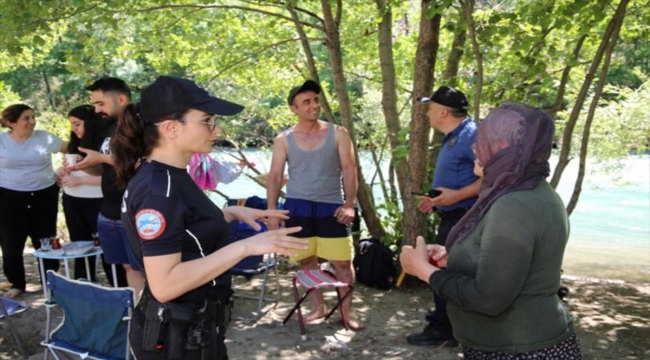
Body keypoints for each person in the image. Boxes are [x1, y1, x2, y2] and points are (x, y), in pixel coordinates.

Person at [113, 75, 307, 360]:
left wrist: (228, 214)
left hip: (192, 329)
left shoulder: (171, 175)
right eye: (207, 120)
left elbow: (185, 230)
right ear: (170, 128)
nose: (216, 129)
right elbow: (164, 285)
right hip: (175, 339)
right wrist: (247, 247)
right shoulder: (160, 191)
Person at [400, 103, 582, 359]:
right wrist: (454, 259)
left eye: (487, 141)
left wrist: (422, 270)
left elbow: (488, 299)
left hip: (520, 349)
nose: (476, 147)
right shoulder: (534, 190)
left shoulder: (514, 205)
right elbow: (517, 267)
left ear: (510, 150)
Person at [266, 79, 362, 330]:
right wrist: (272, 212)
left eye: (316, 100)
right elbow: (275, 176)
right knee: (307, 260)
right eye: (306, 101)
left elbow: (350, 169)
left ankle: (345, 313)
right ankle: (317, 308)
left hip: (331, 205)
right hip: (298, 206)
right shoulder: (283, 139)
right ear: (293, 108)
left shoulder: (338, 133)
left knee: (342, 262)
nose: (313, 105)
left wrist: (350, 203)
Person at [407, 85, 481, 347]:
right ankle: (449, 327)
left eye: (430, 108)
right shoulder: (454, 136)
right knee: (446, 269)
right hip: (452, 215)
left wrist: (456, 196)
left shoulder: (472, 135)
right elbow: (461, 180)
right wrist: (437, 201)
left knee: (443, 270)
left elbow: (492, 179)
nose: (427, 113)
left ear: (444, 111)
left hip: (466, 218)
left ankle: (443, 331)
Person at [70, 77, 142, 292]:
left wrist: (101, 159)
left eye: (100, 103)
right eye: (94, 104)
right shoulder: (107, 126)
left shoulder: (141, 125)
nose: (96, 109)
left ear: (121, 99)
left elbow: (145, 164)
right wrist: (85, 165)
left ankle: (154, 318)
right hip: (109, 211)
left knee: (144, 267)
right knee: (128, 266)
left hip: (134, 211)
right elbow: (107, 168)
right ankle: (139, 313)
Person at [0, 104, 64, 299]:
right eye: (26, 118)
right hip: (9, 196)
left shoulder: (45, 138)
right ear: (10, 122)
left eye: (33, 117)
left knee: (45, 239)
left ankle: (50, 281)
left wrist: (64, 170)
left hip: (44, 195)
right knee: (11, 242)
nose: (32, 122)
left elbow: (70, 150)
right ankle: (17, 283)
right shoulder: (2, 141)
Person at [57, 105, 108, 281]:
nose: (74, 129)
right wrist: (63, 172)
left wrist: (80, 180)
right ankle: (84, 284)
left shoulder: (106, 144)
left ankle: (118, 288)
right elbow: (73, 171)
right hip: (72, 200)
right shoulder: (75, 144)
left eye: (77, 124)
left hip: (99, 201)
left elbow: (113, 179)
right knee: (79, 246)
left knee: (106, 247)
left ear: (91, 123)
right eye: (71, 124)